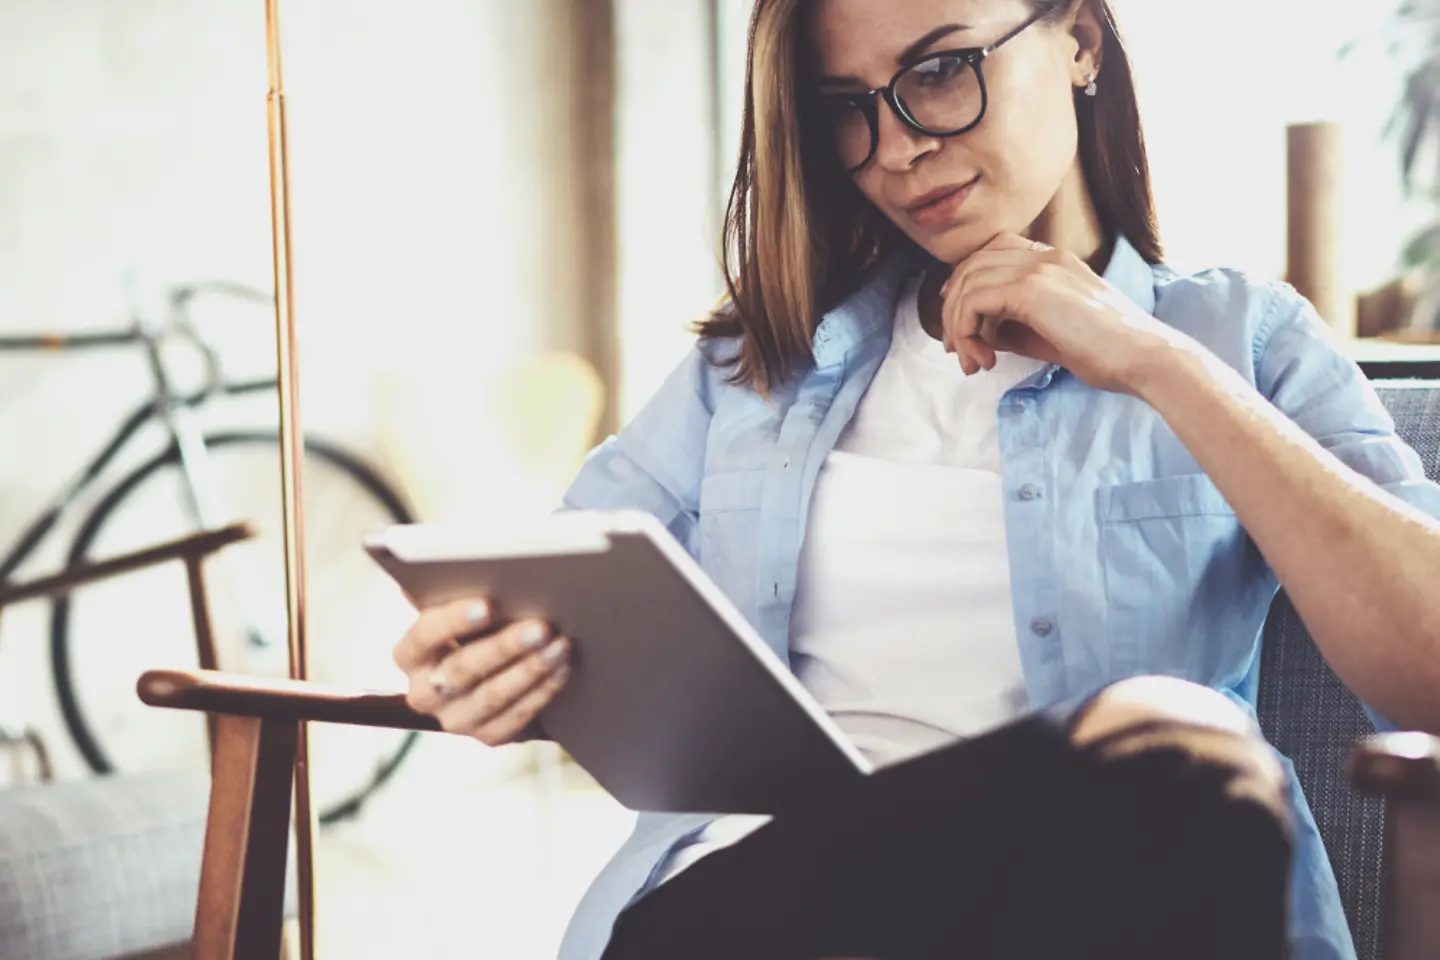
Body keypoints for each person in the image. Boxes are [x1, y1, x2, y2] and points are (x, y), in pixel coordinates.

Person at [390, 0, 1440, 957]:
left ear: (1079, 40)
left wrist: (1151, 361)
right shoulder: (751, 369)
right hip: (750, 904)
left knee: (1184, 748)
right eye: (845, 108)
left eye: (939, 72)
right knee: (1185, 747)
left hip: (1093, 903)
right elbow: (552, 596)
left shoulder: (1238, 340)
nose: (895, 149)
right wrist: (483, 659)